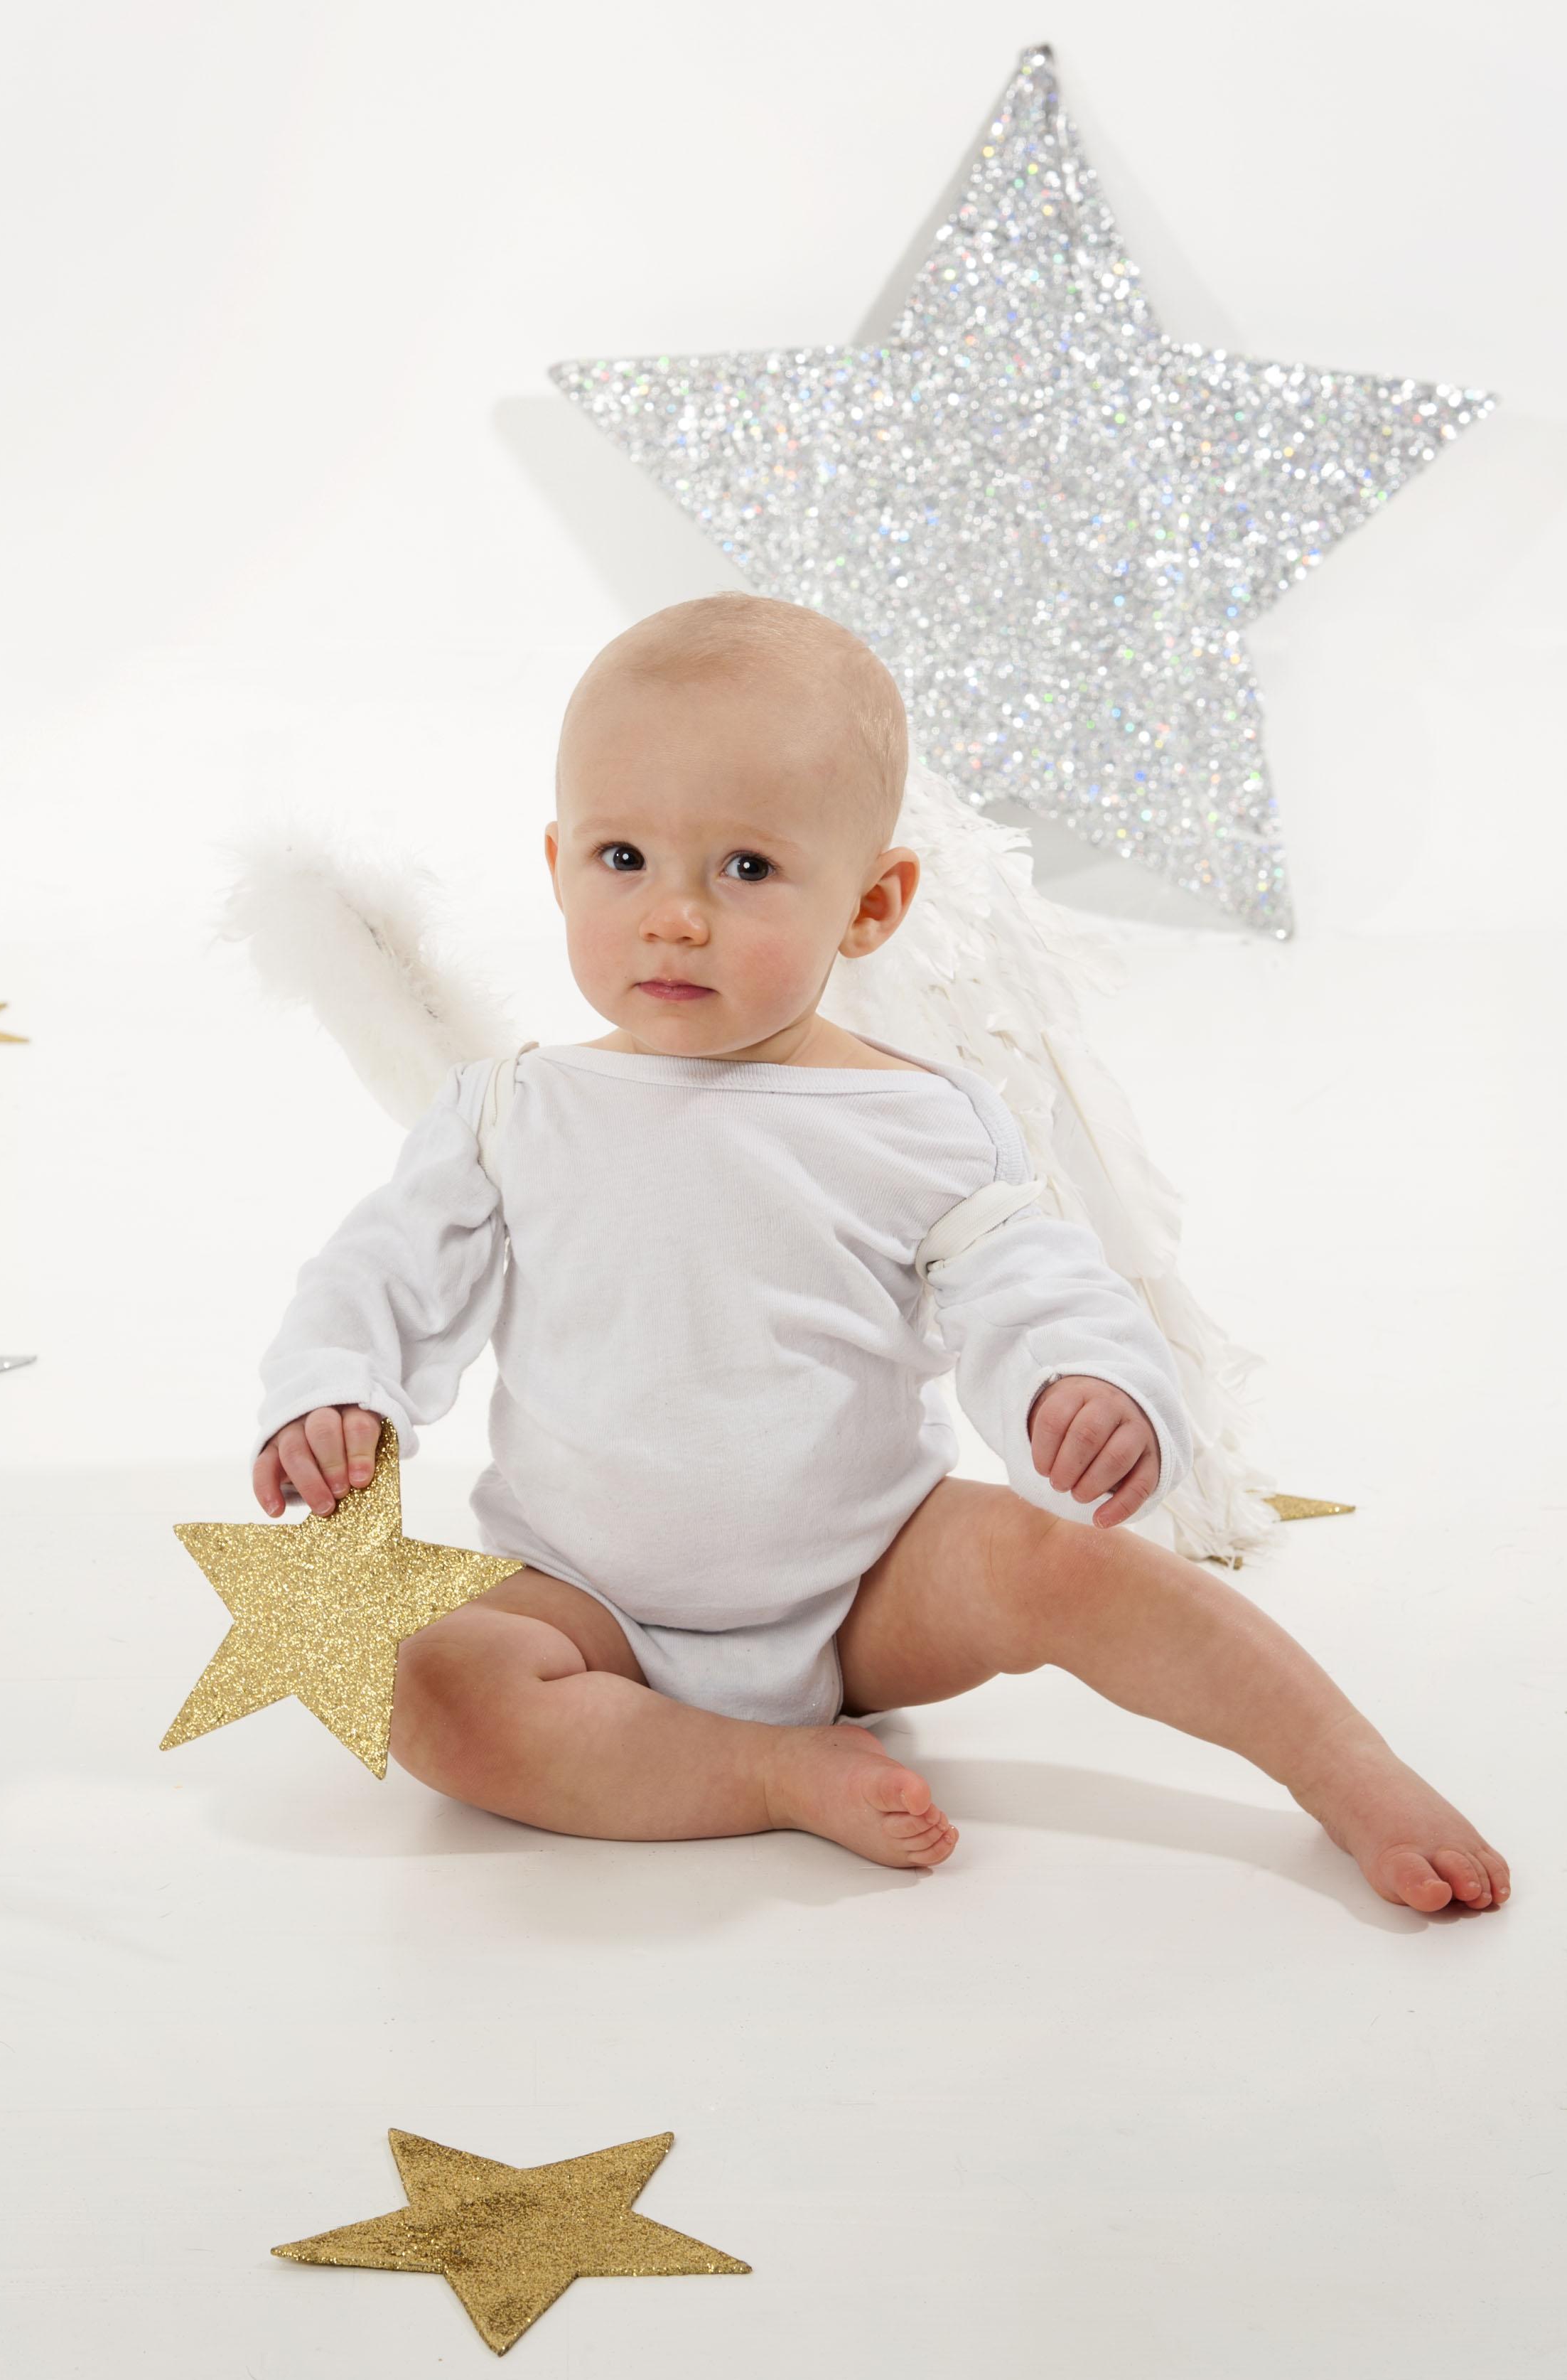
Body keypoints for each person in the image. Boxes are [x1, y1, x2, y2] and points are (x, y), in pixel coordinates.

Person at [249, 592, 1509, 1911]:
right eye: (624, 859)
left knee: (1068, 1566)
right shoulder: (516, 1111)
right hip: (583, 1593)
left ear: (873, 902)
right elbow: (379, 1274)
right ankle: (769, 1775)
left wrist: (1085, 1381)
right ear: (559, 864)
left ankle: (1347, 1767)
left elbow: (1038, 1283)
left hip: (867, 1583)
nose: (674, 916)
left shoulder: (919, 1118)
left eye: (745, 869)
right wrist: (337, 1391)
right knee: (434, 1686)